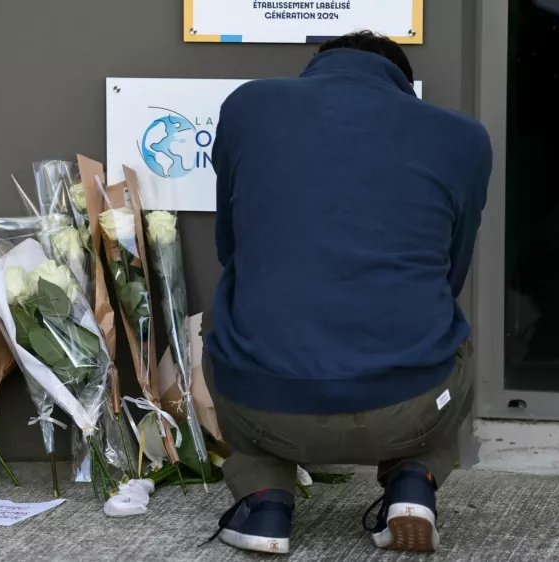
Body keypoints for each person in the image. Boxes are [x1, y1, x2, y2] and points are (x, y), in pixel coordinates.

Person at [204, 31, 492, 554]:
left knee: (227, 316)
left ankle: (264, 501)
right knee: (453, 336)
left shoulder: (249, 107)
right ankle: (413, 482)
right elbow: (451, 273)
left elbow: (230, 248)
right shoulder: (464, 138)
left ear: (320, 66)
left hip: (264, 406)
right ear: (404, 84)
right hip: (411, 404)